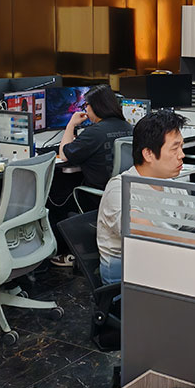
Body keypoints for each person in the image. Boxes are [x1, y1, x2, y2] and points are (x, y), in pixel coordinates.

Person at [96, 110, 195, 284]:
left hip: (163, 263)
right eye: (175, 148)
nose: (182, 155)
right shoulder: (119, 189)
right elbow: (148, 232)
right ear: (148, 154)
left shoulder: (170, 184)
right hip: (128, 275)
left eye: (181, 147)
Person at [51, 85, 132, 266]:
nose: (85, 110)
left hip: (98, 197)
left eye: (86, 105)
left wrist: (71, 124)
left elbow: (64, 154)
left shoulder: (94, 133)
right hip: (122, 195)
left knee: (57, 199)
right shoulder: (128, 127)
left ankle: (71, 254)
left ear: (95, 106)